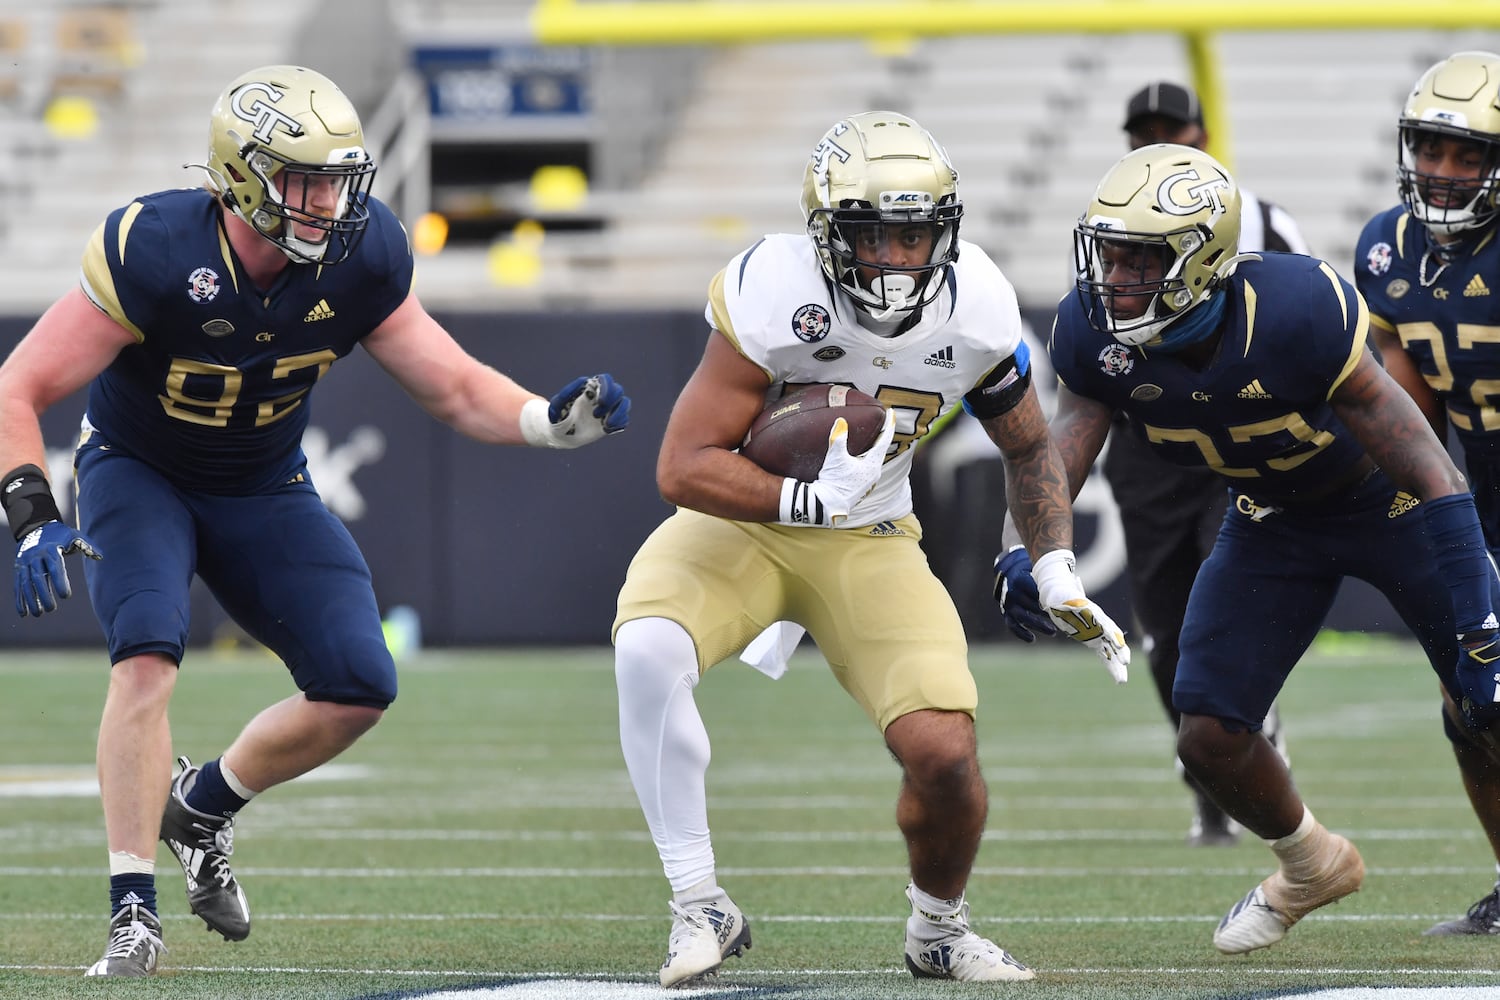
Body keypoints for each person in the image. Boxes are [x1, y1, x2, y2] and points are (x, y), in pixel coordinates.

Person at [0, 65, 631, 978]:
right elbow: (20, 384)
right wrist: (28, 511)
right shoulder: (155, 246)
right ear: (243, 177)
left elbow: (452, 384)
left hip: (262, 482)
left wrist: (545, 421)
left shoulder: (363, 251)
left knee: (360, 682)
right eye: (304, 180)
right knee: (146, 654)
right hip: (140, 472)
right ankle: (131, 912)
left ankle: (202, 806)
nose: (327, 202)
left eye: (337, 180)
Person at [611, 110, 1129, 986]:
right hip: (747, 520)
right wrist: (797, 495)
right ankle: (698, 900)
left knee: (945, 755)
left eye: (916, 234)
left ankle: (938, 930)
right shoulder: (774, 289)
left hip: (873, 534)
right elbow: (682, 464)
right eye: (874, 234)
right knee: (648, 650)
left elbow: (1031, 445)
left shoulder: (975, 308)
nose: (897, 257)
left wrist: (1049, 564)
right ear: (827, 233)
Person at [999, 141, 1500, 955]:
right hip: (1272, 516)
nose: (1114, 277)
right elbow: (1054, 456)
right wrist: (1025, 553)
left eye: (1139, 258)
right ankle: (1310, 865)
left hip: (1389, 503)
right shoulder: (1095, 334)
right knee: (1208, 737)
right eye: (1110, 253)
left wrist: (1482, 623)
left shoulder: (1298, 306)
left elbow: (1432, 471)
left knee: (1490, 702)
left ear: (1201, 261)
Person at [999, 80, 1312, 849]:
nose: (1157, 142)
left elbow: (1307, 330)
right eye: (1144, 133)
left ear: (1203, 133)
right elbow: (1089, 362)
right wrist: (1024, 538)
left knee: (1223, 591)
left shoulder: (1263, 220)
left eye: (1172, 129)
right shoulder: (1111, 226)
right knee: (1167, 632)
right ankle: (1209, 775)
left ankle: (1247, 729)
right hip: (1152, 448)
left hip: (1242, 442)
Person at [1354, 49, 1500, 936]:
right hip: (1475, 494)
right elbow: (1404, 413)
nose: (1442, 173)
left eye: (1467, 155)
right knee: (1470, 706)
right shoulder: (1388, 245)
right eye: (1431, 149)